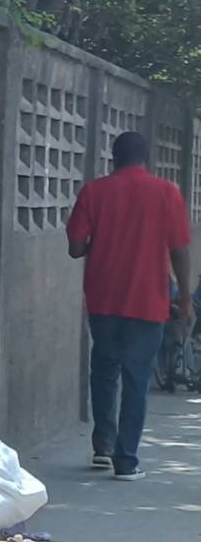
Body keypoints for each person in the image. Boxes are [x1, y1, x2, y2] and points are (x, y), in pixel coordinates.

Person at [66, 129, 193, 479]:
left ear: (113, 158)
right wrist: (184, 298)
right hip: (148, 301)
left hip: (103, 298)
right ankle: (126, 460)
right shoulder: (168, 193)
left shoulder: (94, 191)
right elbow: (180, 250)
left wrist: (102, 242)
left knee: (104, 370)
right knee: (137, 378)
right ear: (146, 159)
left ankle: (102, 447)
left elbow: (75, 246)